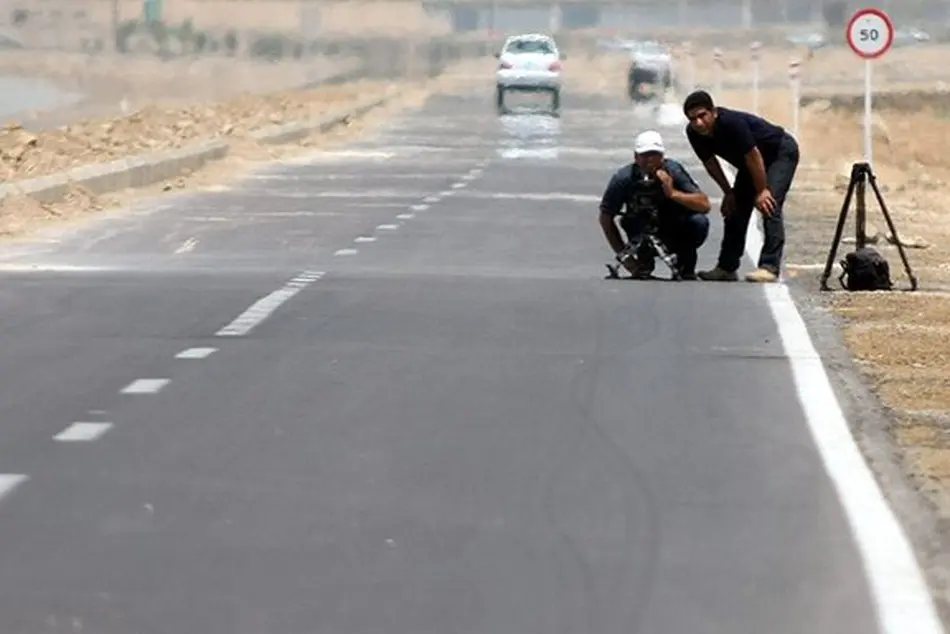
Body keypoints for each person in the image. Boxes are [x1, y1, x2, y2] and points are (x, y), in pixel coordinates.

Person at [682, 89, 800, 283]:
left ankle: (769, 267)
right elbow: (711, 163)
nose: (698, 123)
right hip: (752, 164)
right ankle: (726, 267)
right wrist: (728, 193)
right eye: (693, 119)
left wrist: (762, 191)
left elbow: (753, 155)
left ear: (713, 112)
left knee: (769, 204)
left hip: (779, 152)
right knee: (735, 208)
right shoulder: (694, 133)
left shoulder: (730, 123)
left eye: (702, 116)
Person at [599, 130, 711, 279]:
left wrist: (672, 193)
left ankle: (684, 260)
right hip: (640, 230)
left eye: (654, 155)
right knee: (630, 221)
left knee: (698, 222)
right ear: (636, 157)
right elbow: (605, 218)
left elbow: (704, 205)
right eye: (644, 155)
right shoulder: (624, 178)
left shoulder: (673, 170)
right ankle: (644, 259)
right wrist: (627, 260)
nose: (649, 160)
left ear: (662, 157)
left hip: (672, 229)